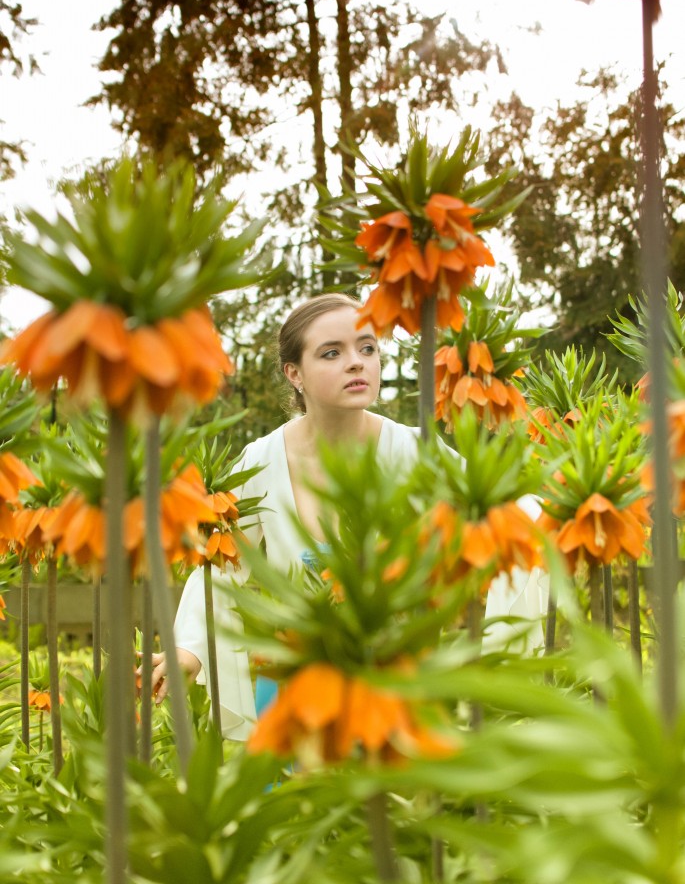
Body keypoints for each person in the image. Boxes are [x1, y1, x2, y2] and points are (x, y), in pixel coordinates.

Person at [150, 293, 546, 740]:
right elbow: (221, 566)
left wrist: (554, 519)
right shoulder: (259, 459)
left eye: (368, 348)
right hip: (295, 677)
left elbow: (495, 507)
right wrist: (190, 650)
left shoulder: (415, 450)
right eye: (332, 353)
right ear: (294, 374)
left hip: (394, 679)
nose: (357, 363)